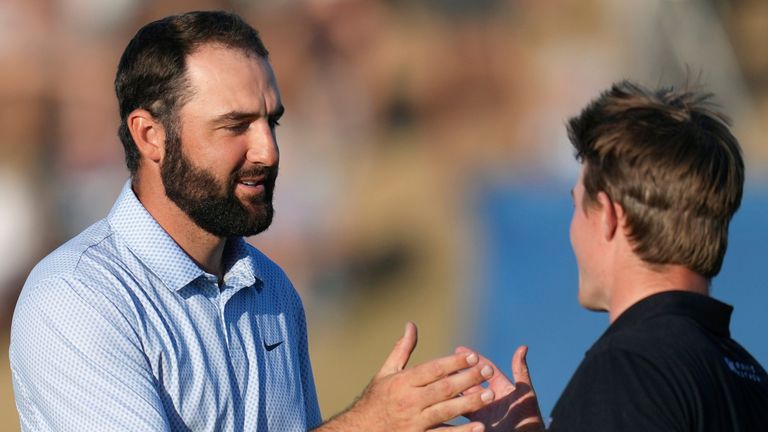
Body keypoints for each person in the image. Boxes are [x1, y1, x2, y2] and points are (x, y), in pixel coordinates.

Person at [9, 11, 496, 432]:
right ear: (150, 135)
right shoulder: (76, 298)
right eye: (235, 126)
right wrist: (367, 422)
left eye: (271, 122)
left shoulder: (272, 289)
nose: (267, 151)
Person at [462, 81, 768, 431]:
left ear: (608, 215)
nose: (572, 229)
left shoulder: (628, 368)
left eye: (575, 205)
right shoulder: (750, 379)